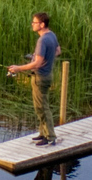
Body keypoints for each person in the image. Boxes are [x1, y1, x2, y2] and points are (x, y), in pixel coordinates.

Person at [7, 11, 60, 143]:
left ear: (42, 24)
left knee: (41, 108)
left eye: (34, 22)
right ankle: (43, 133)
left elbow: (37, 63)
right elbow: (58, 51)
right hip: (47, 75)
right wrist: (43, 58)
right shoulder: (51, 35)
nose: (32, 24)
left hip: (40, 77)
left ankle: (50, 137)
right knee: (42, 105)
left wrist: (18, 68)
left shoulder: (42, 40)